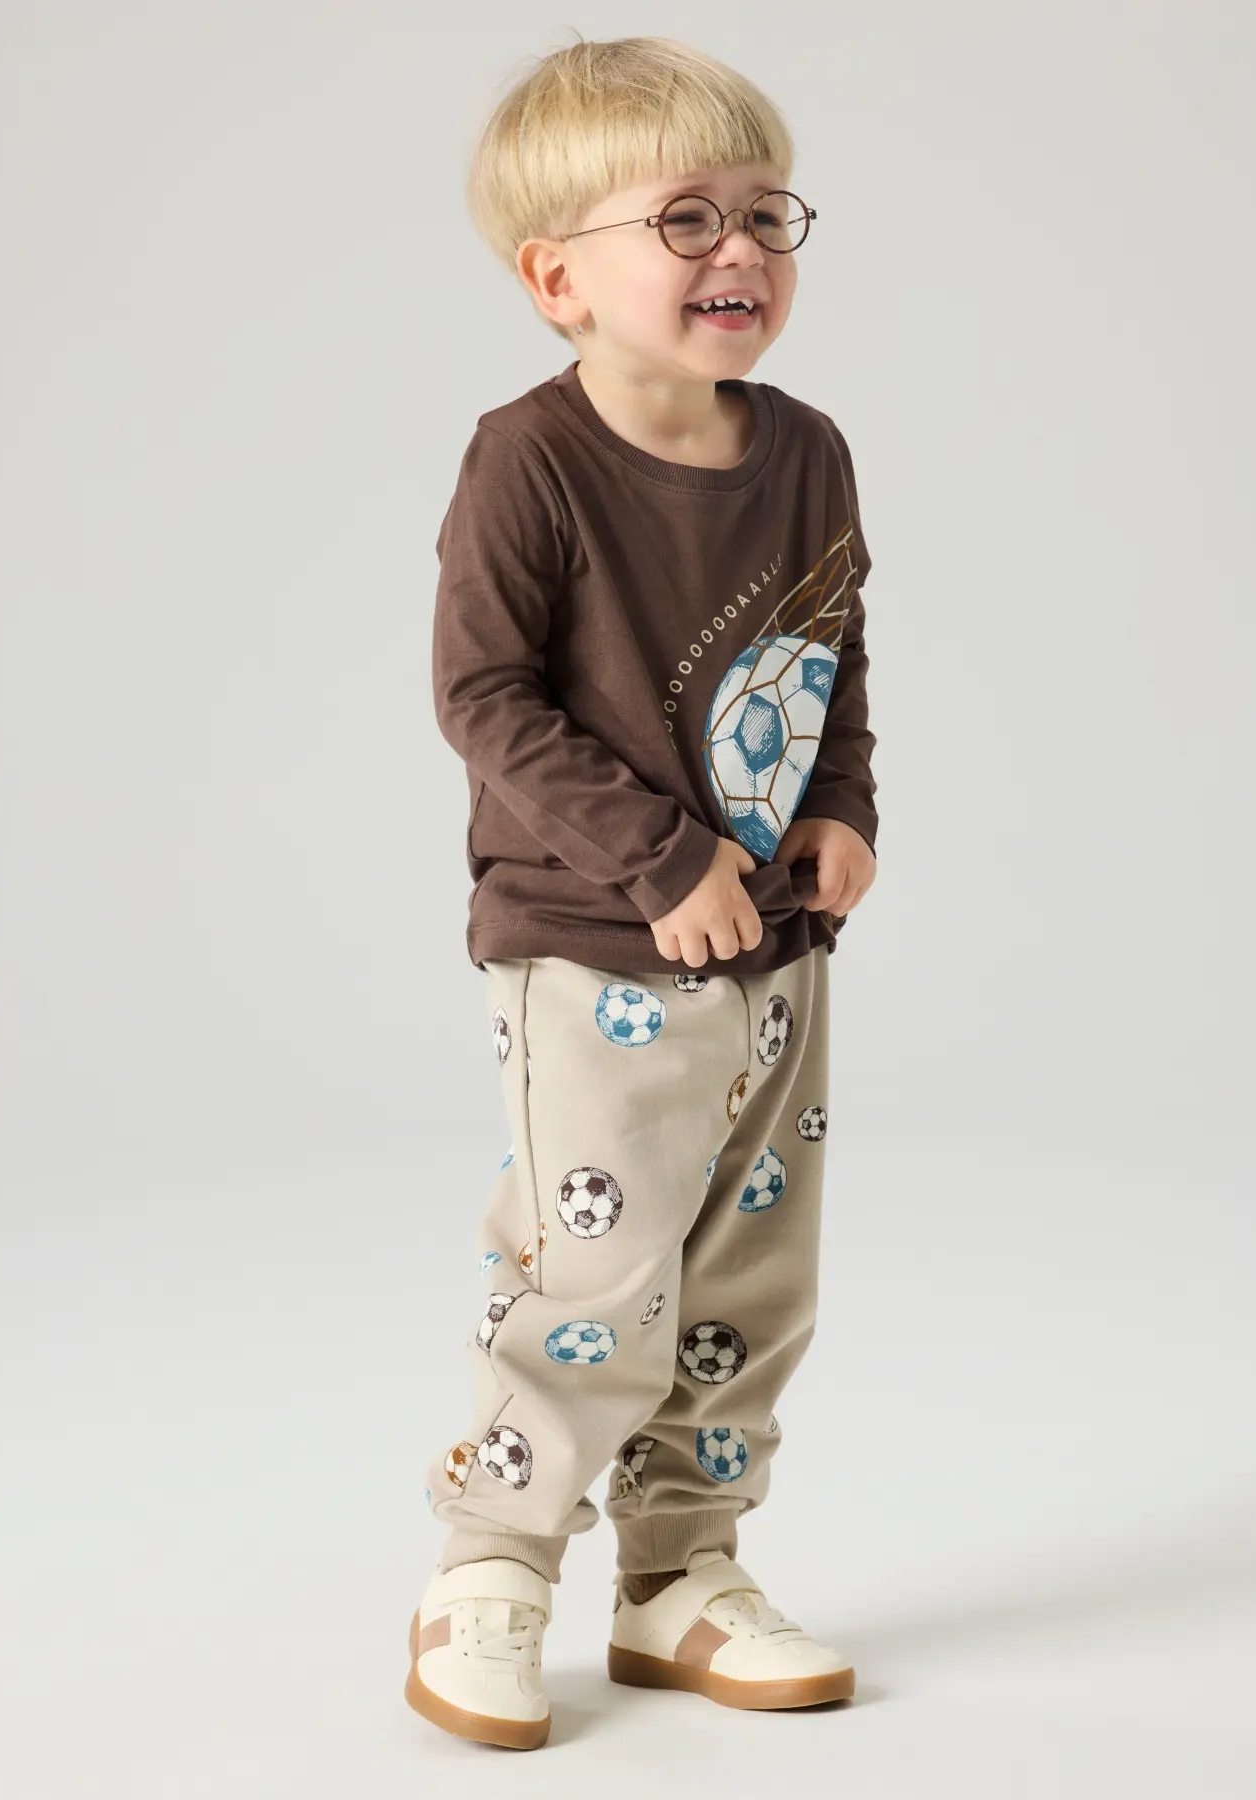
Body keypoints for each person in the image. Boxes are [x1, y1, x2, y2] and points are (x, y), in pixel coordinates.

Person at [405, 34, 879, 1752]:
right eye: (684, 218)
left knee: (750, 1282)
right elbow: (483, 699)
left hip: (777, 952)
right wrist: (663, 858)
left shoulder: (806, 453)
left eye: (763, 213)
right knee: (593, 1280)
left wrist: (842, 807)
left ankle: (681, 1573)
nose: (738, 247)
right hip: (593, 948)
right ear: (559, 280)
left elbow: (829, 653)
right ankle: (491, 1567)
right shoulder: (528, 462)